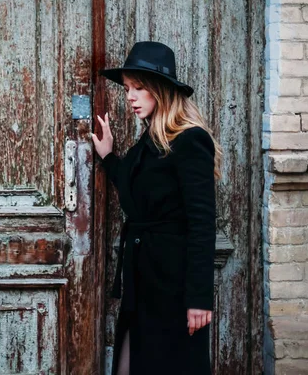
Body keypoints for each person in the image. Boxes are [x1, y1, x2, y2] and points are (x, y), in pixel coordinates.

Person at [91, 41, 223, 375]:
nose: (130, 97)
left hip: (174, 288)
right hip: (143, 282)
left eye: (138, 88)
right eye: (127, 89)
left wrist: (199, 298)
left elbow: (202, 222)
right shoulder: (149, 142)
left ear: (160, 91)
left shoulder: (190, 140)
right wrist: (108, 156)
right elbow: (135, 189)